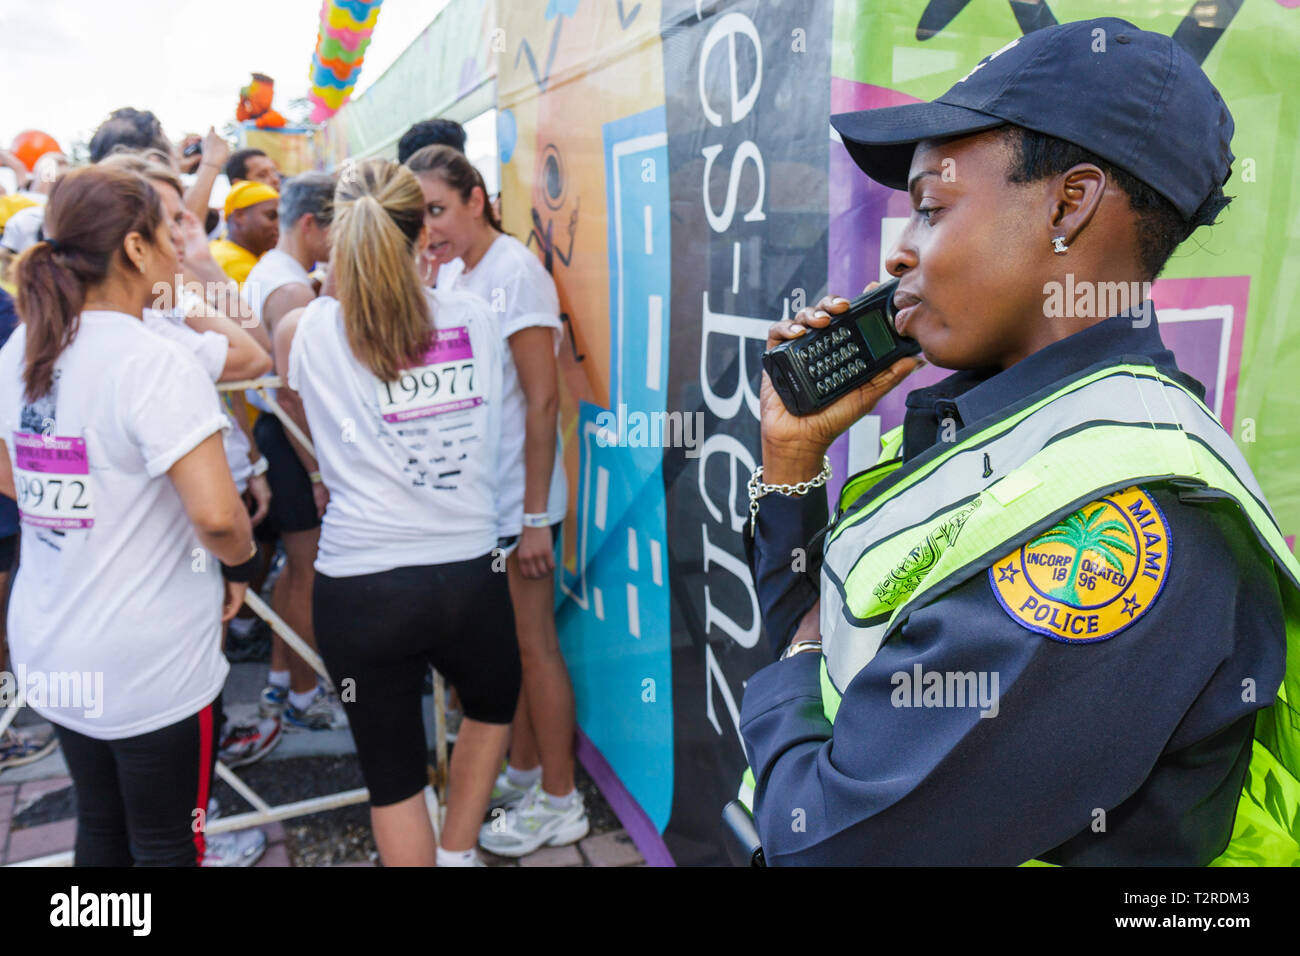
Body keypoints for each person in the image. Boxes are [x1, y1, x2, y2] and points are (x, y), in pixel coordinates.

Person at [737, 18, 1300, 866]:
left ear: (1069, 205)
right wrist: (792, 463)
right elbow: (829, 641)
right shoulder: (1005, 430)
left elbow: (825, 843)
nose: (901, 250)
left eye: (930, 208)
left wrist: (797, 655)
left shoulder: (1123, 521)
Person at [0, 164, 257, 866]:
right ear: (136, 250)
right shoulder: (151, 360)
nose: (182, 241)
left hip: (52, 641)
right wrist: (241, 567)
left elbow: (10, 473)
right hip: (145, 658)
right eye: (168, 228)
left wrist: (87, 514)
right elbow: (217, 516)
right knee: (171, 841)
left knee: (103, 829)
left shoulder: (22, 346)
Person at [275, 157, 519, 866]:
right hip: (468, 574)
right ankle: (458, 854)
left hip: (361, 584)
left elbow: (302, 410)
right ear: (422, 234)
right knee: (491, 707)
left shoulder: (306, 331)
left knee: (392, 778)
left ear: (341, 235)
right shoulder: (473, 317)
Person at [405, 145, 586, 856]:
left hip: (522, 501)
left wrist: (536, 517)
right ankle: (524, 768)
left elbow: (543, 404)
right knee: (508, 648)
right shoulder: (454, 271)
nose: (430, 226)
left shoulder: (514, 272)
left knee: (536, 647)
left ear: (477, 199)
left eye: (439, 209)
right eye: (419, 214)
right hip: (485, 502)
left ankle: (563, 801)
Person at [243, 171, 344, 731]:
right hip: (292, 441)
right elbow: (293, 392)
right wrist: (317, 471)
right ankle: (306, 694)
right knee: (307, 571)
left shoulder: (275, 273)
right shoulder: (289, 290)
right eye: (337, 228)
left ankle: (284, 681)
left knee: (292, 569)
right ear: (311, 224)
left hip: (277, 437)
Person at [210, 181, 279, 286]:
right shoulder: (231, 262)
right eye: (271, 216)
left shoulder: (245, 252)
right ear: (239, 215)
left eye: (281, 218)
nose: (279, 225)